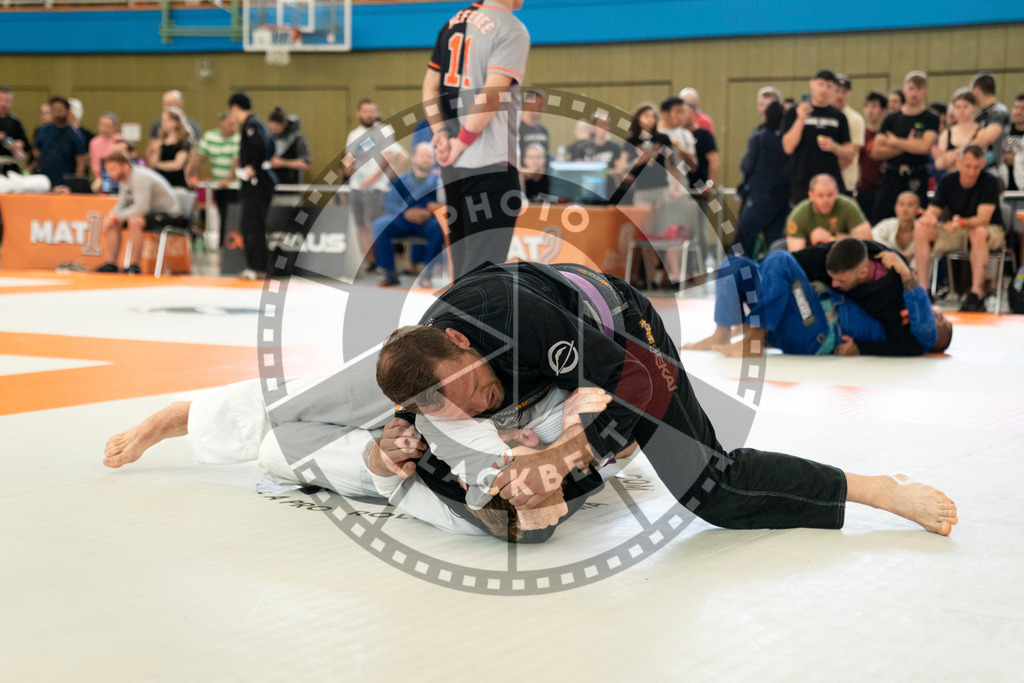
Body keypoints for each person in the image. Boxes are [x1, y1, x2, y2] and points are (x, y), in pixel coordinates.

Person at [375, 261, 958, 538]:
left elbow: (641, 381)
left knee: (712, 491)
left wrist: (560, 457)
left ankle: (877, 490)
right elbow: (416, 408)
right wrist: (396, 439)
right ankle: (612, 446)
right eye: (464, 407)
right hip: (559, 367)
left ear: (460, 340)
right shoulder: (427, 369)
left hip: (621, 335)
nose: (483, 404)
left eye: (479, 387)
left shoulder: (515, 317)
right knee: (525, 518)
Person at [682, 241, 951, 358]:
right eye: (940, 314)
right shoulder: (900, 303)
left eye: (940, 320)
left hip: (818, 330)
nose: (937, 314)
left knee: (780, 258)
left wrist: (905, 270)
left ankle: (755, 339)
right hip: (797, 316)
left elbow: (926, 332)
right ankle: (722, 334)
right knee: (734, 265)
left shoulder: (919, 334)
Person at [421, 0, 530, 281]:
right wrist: (461, 141)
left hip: (453, 166)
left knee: (462, 268)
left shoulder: (452, 23)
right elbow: (492, 94)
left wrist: (441, 133)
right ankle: (465, 325)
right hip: (490, 160)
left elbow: (430, 87)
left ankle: (451, 323)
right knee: (483, 274)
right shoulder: (511, 28)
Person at [913, 144, 1005, 312]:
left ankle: (976, 293)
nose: (971, 172)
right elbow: (935, 208)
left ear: (983, 165)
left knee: (978, 232)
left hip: (987, 229)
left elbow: (983, 219)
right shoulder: (948, 180)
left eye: (977, 167)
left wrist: (962, 222)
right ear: (959, 162)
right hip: (957, 228)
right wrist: (929, 218)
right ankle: (923, 290)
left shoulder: (989, 181)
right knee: (921, 229)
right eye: (968, 166)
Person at [372, 142, 445, 287]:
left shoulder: (439, 182)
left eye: (429, 156)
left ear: (433, 159)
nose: (425, 159)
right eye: (422, 155)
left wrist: (429, 213)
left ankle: (427, 273)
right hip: (404, 220)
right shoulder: (401, 180)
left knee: (438, 226)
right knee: (380, 224)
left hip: (428, 222)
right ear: (413, 158)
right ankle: (389, 272)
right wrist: (405, 213)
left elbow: (445, 204)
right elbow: (390, 203)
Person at [344, 98, 406, 270]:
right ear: (358, 113)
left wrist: (373, 178)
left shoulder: (384, 131)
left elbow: (389, 157)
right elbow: (349, 156)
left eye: (371, 111)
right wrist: (347, 169)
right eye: (365, 111)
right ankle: (370, 261)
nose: (368, 114)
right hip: (357, 186)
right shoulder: (353, 134)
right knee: (361, 226)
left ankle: (382, 261)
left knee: (374, 224)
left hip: (377, 187)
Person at [94, 151, 180, 274]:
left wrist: (114, 217)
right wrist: (110, 217)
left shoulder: (140, 177)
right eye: (108, 170)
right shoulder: (124, 179)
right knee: (115, 223)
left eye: (112, 169)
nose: (109, 174)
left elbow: (141, 208)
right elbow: (122, 203)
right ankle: (112, 263)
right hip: (151, 212)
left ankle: (135, 265)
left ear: (125, 166)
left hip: (168, 213)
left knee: (134, 221)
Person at [871, 71, 940, 221]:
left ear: (925, 92)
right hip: (891, 176)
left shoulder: (930, 118)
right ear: (904, 90)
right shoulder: (891, 119)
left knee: (917, 220)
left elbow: (924, 148)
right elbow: (876, 151)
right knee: (881, 219)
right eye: (911, 88)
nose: (914, 93)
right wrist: (908, 145)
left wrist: (895, 141)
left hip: (916, 177)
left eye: (918, 89)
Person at [782, 69, 852, 204]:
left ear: (834, 89)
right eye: (821, 85)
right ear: (812, 84)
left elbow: (849, 153)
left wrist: (835, 147)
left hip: (831, 182)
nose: (824, 90)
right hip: (803, 182)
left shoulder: (839, 116)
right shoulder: (795, 112)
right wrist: (800, 120)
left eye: (829, 86)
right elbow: (788, 147)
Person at [229, 92, 277, 281]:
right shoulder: (258, 124)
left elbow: (261, 146)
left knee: (252, 226)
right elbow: (270, 145)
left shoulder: (251, 125)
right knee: (252, 225)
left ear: (234, 108)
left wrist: (253, 168)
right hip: (259, 185)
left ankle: (257, 268)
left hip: (257, 186)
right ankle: (258, 267)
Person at [736, 100, 792, 257]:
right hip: (782, 199)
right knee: (775, 242)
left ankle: (740, 274)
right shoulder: (790, 140)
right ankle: (773, 277)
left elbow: (747, 165)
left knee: (742, 240)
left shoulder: (759, 137)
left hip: (759, 198)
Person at [189, 112, 241, 247]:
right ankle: (222, 246)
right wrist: (194, 176)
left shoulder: (238, 139)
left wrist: (229, 180)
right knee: (222, 215)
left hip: (235, 186)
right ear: (222, 123)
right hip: (218, 185)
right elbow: (198, 158)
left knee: (233, 217)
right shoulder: (210, 137)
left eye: (235, 124)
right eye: (230, 124)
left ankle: (230, 248)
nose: (233, 127)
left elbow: (236, 161)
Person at [785, 174, 871, 251]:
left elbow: (867, 239)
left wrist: (832, 238)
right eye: (820, 195)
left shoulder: (848, 206)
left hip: (844, 259)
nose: (825, 200)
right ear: (811, 195)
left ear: (837, 192)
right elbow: (796, 254)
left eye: (830, 195)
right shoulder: (799, 215)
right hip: (811, 261)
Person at [31, 96, 87, 189]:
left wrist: (76, 184)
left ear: (67, 111)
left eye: (60, 110)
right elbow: (37, 152)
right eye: (54, 110)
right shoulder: (43, 131)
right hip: (45, 181)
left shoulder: (75, 135)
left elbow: (81, 161)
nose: (57, 113)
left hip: (65, 183)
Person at [970, 71, 1010, 180]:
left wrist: (962, 146)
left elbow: (989, 138)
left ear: (976, 90)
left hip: (994, 169)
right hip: (979, 168)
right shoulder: (978, 117)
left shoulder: (998, 111)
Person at [932, 89, 981, 175]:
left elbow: (984, 160)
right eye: (958, 107)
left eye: (965, 106)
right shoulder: (946, 133)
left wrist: (950, 155)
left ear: (973, 108)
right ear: (953, 109)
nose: (961, 111)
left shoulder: (981, 131)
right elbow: (939, 164)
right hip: (952, 178)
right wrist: (962, 150)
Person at [857, 91, 888, 221]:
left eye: (874, 106)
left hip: (885, 189)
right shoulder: (859, 134)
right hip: (863, 189)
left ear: (884, 110)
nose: (870, 110)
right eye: (868, 106)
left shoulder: (890, 135)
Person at [834, 74, 865, 199]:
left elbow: (850, 155)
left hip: (846, 182)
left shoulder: (855, 119)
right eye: (837, 91)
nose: (840, 96)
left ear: (849, 93)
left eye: (844, 92)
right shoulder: (823, 116)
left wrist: (828, 171)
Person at [146, 107, 193, 189]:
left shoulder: (183, 143)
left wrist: (158, 165)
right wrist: (156, 152)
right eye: (163, 121)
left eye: (167, 121)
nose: (164, 123)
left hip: (176, 183)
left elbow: (177, 165)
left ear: (176, 122)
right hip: (161, 182)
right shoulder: (160, 141)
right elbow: (153, 164)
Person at [872, 191, 921, 263]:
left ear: (918, 209)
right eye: (901, 204)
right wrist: (896, 253)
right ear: (895, 208)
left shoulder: (923, 230)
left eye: (910, 205)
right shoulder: (886, 224)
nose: (905, 209)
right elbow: (873, 237)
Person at [267, 106, 311, 186]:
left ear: (284, 124)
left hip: (291, 189)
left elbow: (305, 164)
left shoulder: (297, 140)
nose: (274, 131)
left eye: (276, 128)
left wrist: (282, 163)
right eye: (272, 129)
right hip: (273, 188)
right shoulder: (271, 139)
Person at [88, 112, 122, 193]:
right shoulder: (94, 142)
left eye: (107, 126)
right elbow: (94, 162)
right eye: (102, 125)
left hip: (116, 179)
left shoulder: (120, 141)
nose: (104, 128)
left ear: (115, 127)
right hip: (99, 179)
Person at [0, 87, 29, 175]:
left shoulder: (15, 122)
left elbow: (26, 145)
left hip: (10, 168)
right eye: (1, 100)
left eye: (7, 101)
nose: (4, 104)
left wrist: (19, 144)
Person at [519, 88, 549, 160]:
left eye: (543, 106)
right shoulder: (516, 129)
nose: (542, 109)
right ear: (528, 104)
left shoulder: (543, 130)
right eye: (539, 106)